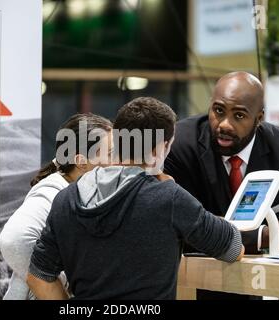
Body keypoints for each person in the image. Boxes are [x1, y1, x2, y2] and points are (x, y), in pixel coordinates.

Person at [27, 97, 245, 300]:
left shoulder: (65, 199)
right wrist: (170, 187)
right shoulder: (169, 197)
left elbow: (39, 276)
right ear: (162, 147)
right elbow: (233, 247)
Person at [164, 71, 279, 298]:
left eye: (239, 116)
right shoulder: (180, 145)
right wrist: (266, 237)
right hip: (200, 288)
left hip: (272, 290)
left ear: (259, 118)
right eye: (218, 111)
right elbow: (181, 229)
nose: (224, 124)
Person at [0, 113, 113, 300]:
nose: (117, 160)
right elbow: (13, 240)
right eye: (110, 153)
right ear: (81, 161)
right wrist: (52, 286)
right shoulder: (54, 191)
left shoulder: (85, 191)